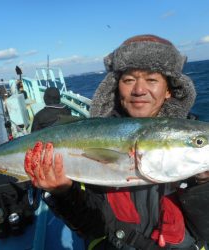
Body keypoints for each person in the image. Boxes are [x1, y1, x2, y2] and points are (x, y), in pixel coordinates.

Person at [24, 35, 209, 249]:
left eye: (152, 80)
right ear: (115, 87)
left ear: (169, 89)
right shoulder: (93, 134)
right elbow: (90, 226)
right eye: (129, 80)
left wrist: (203, 185)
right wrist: (65, 194)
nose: (139, 90)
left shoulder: (192, 143)